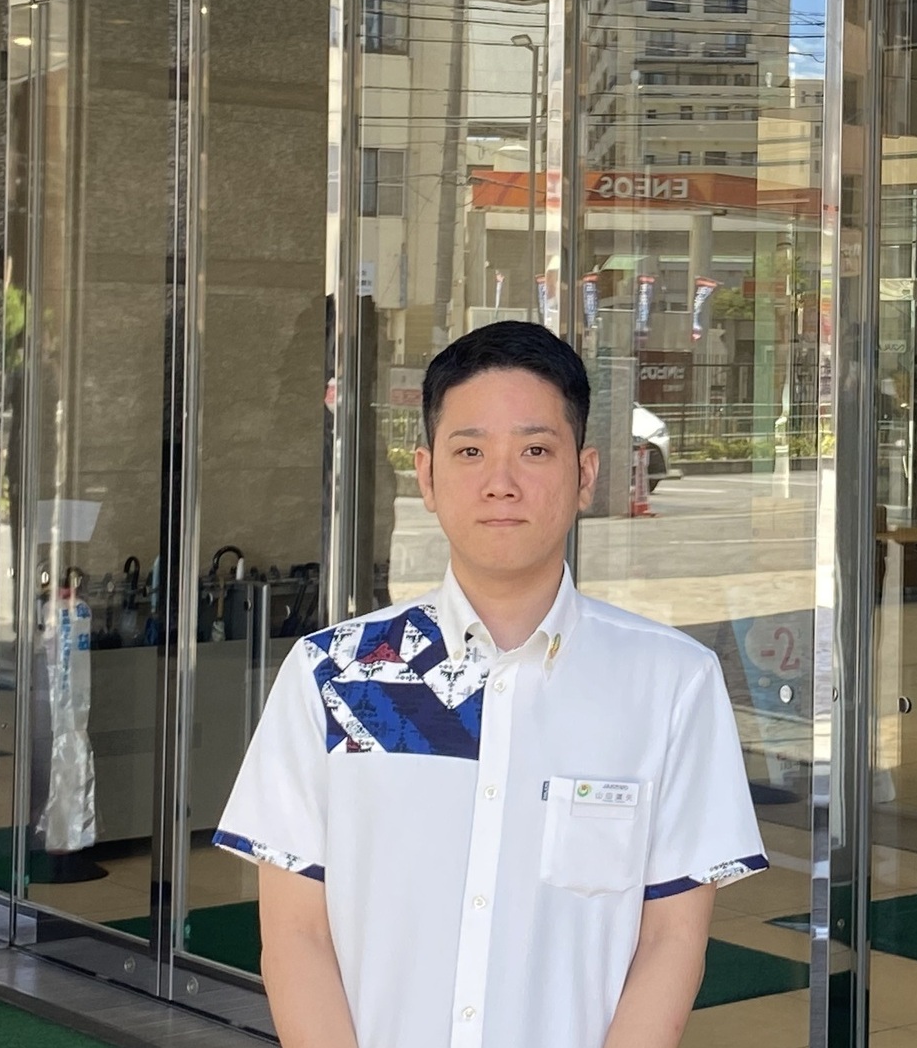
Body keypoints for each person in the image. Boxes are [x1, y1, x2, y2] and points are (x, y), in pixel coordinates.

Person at [215, 321, 767, 1048]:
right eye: (470, 451)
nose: (501, 482)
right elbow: (295, 935)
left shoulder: (669, 683)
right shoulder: (336, 672)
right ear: (426, 474)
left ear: (585, 474)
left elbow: (671, 938)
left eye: (535, 450)